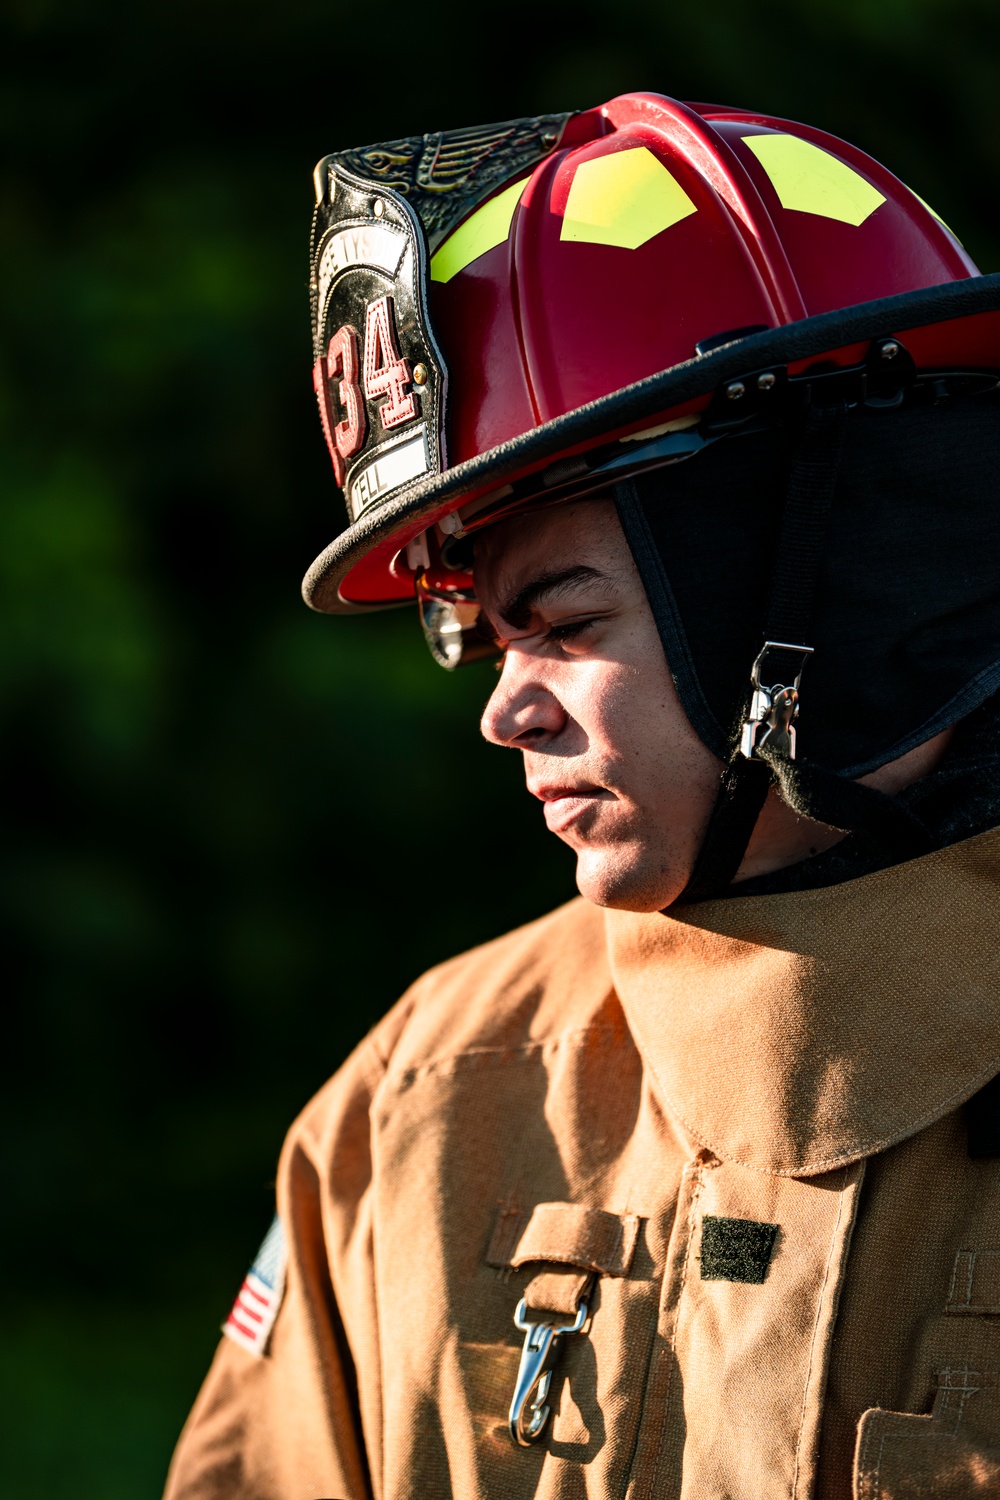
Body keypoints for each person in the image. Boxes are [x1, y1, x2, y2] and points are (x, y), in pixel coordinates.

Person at [165, 93, 1000, 1499]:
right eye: (489, 641)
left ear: (822, 588)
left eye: (561, 622)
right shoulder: (416, 1100)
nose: (505, 710)